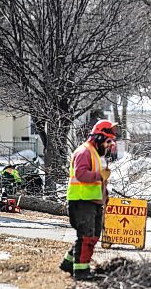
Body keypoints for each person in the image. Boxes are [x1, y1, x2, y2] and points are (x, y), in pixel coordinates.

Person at [59, 119, 116, 280]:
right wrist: (100, 175)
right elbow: (81, 174)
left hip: (93, 202)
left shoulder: (96, 155)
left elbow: (99, 182)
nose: (108, 145)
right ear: (98, 138)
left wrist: (105, 197)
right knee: (86, 237)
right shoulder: (84, 152)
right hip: (81, 201)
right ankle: (81, 272)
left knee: (93, 236)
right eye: (107, 141)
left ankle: (68, 263)